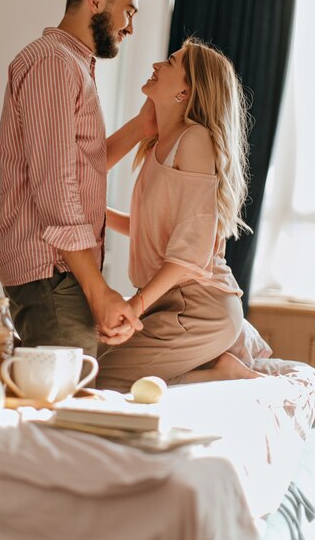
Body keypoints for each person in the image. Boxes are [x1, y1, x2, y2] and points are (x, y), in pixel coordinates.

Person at [0, 0, 151, 357]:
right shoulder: (53, 64)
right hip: (52, 270)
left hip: (60, 271)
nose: (130, 27)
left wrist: (140, 128)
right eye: (128, 12)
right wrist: (98, 290)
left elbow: (81, 166)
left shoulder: (72, 65)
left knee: (63, 398)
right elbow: (56, 187)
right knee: (62, 408)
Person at [97, 37, 262, 391]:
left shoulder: (195, 141)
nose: (157, 65)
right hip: (172, 302)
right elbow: (149, 230)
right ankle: (213, 365)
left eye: (171, 62)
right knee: (89, 359)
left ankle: (219, 375)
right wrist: (96, 211)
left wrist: (135, 304)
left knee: (101, 378)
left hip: (198, 308)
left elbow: (189, 254)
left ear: (186, 92)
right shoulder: (160, 146)